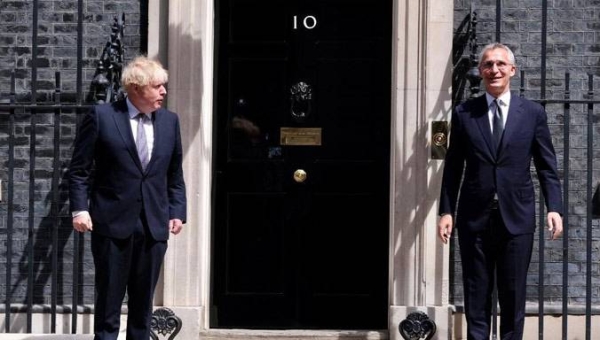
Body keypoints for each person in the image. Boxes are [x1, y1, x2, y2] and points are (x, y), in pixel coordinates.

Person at [437, 42, 563, 340]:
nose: (494, 70)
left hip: (517, 219)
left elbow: (547, 166)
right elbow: (453, 167)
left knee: (513, 294)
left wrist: (554, 207)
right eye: (488, 65)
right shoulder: (465, 113)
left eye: (500, 64)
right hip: (474, 218)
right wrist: (446, 210)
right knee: (476, 293)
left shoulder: (532, 113)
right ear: (481, 72)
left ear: (512, 70)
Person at [68, 56, 186, 340]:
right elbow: (79, 170)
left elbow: (174, 173)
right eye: (157, 86)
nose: (163, 92)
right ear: (136, 88)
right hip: (112, 224)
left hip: (153, 224)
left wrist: (177, 210)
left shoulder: (170, 122)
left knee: (142, 305)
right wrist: (79, 210)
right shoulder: (103, 116)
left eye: (163, 86)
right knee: (109, 301)